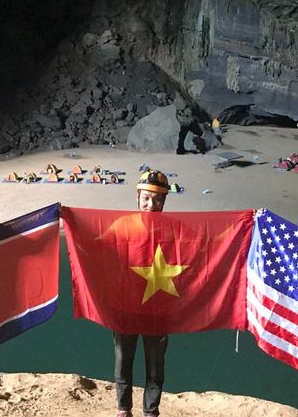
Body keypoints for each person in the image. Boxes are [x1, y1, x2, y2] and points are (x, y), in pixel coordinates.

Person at [113, 169, 171, 417]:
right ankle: (123, 409)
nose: (151, 204)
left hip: (158, 308)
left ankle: (151, 412)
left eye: (157, 199)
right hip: (125, 305)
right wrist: (68, 217)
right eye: (146, 198)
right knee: (123, 360)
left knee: (155, 365)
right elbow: (93, 244)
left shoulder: (173, 229)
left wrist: (245, 222)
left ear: (164, 201)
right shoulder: (121, 226)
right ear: (137, 197)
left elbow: (206, 241)